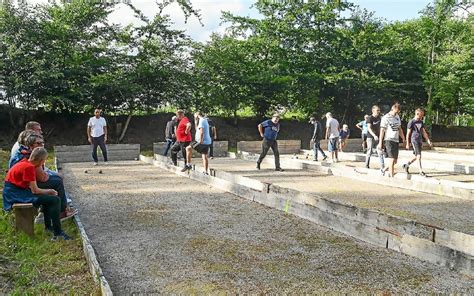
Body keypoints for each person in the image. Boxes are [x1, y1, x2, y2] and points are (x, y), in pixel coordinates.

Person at [3, 147, 71, 241]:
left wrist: (48, 192)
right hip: (15, 194)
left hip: (14, 191)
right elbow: (35, 190)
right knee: (55, 200)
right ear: (42, 160)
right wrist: (50, 190)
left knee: (49, 198)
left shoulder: (25, 162)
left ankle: (48, 227)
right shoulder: (29, 168)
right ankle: (58, 232)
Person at [9, 133, 77, 221]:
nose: (41, 145)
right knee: (57, 182)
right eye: (38, 143)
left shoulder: (28, 154)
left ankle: (47, 211)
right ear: (30, 145)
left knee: (56, 180)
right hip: (21, 190)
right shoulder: (32, 157)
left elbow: (42, 176)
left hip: (19, 187)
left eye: (42, 143)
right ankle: (61, 213)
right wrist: (49, 190)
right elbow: (42, 178)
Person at [378, 103, 405, 177]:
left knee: (395, 161)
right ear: (393, 108)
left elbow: (399, 128)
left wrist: (403, 138)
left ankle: (383, 170)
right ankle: (391, 176)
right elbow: (382, 130)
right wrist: (380, 142)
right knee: (391, 159)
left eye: (398, 112)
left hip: (396, 140)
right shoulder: (385, 117)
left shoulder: (397, 117)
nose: (397, 113)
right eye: (396, 111)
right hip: (388, 139)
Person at [403, 108, 433, 176]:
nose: (422, 116)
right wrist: (407, 143)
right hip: (414, 140)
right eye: (421, 115)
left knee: (416, 156)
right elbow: (408, 133)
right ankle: (420, 171)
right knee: (419, 156)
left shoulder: (421, 122)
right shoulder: (411, 122)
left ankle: (406, 165)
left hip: (419, 140)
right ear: (417, 114)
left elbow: (423, 132)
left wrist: (428, 140)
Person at [365, 105, 385, 171]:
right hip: (370, 137)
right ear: (373, 111)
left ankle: (382, 166)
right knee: (369, 150)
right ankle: (367, 165)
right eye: (377, 110)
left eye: (379, 110)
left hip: (378, 137)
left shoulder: (380, 118)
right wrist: (374, 135)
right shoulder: (369, 118)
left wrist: (381, 136)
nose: (378, 112)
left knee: (380, 151)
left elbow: (381, 128)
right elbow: (369, 128)